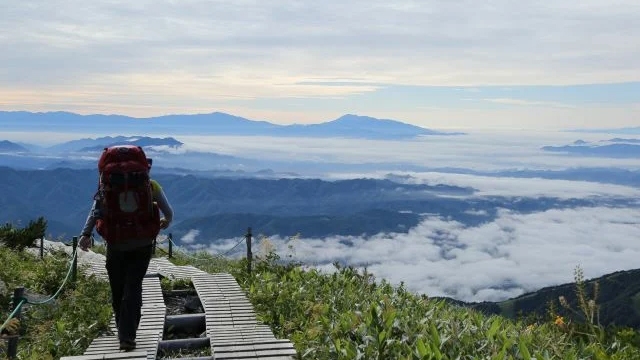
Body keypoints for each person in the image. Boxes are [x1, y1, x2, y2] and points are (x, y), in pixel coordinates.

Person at [78, 158, 173, 351]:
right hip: (142, 243)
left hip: (116, 243)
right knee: (133, 285)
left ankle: (123, 330)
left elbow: (95, 211)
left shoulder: (108, 187)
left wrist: (86, 234)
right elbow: (168, 211)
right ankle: (128, 335)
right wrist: (165, 221)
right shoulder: (151, 186)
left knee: (118, 287)